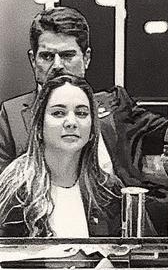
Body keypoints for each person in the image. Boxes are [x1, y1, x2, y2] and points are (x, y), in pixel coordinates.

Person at [0, 7, 168, 234]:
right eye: (48, 56)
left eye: (68, 55)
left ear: (86, 57)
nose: (58, 65)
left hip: (114, 234)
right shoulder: (11, 114)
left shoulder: (113, 104)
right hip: (34, 235)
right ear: (34, 60)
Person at [0, 75, 123, 237]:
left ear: (93, 131)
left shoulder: (110, 189)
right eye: (58, 113)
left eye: (81, 113)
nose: (71, 122)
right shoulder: (15, 187)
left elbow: (134, 255)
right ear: (38, 128)